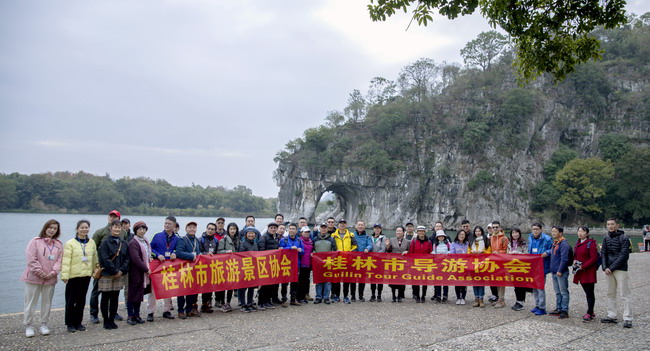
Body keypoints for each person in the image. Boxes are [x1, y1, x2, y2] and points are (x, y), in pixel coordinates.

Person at [21, 219, 63, 337]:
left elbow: (60, 260)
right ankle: (28, 325)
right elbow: (31, 258)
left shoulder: (58, 244)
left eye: (55, 228)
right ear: (45, 228)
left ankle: (44, 324)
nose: (52, 230)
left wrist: (53, 272)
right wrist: (40, 272)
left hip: (50, 278)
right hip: (33, 278)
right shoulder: (35, 242)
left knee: (47, 302)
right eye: (50, 227)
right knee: (30, 302)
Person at [89, 210, 127, 324]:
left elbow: (125, 251)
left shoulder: (123, 233)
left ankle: (113, 313)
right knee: (97, 291)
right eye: (111, 216)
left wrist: (121, 269)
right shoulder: (100, 232)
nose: (112, 218)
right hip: (103, 268)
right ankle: (94, 313)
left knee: (114, 292)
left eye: (115, 216)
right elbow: (93, 249)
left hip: (118, 268)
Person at [61, 219, 97, 333]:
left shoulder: (91, 242)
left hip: (86, 275)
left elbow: (95, 258)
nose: (84, 229)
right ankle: (70, 323)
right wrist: (64, 275)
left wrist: (95, 270)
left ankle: (78, 322)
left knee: (81, 300)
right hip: (73, 276)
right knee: (71, 300)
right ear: (77, 229)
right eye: (82, 227)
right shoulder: (70, 243)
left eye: (86, 227)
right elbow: (66, 260)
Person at [601, 218, 633, 328]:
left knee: (625, 294)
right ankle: (611, 314)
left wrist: (612, 267)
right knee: (610, 293)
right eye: (608, 224)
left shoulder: (624, 238)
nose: (610, 226)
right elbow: (603, 253)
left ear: (617, 225)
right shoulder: (605, 238)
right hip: (608, 269)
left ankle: (628, 318)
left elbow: (624, 255)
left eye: (612, 224)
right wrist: (605, 267)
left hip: (620, 269)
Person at [98, 220, 129, 329]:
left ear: (121, 229)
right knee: (105, 297)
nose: (117, 229)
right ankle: (105, 320)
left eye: (119, 227)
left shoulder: (124, 243)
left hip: (120, 274)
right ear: (110, 228)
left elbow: (127, 258)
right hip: (107, 274)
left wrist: (121, 270)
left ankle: (112, 319)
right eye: (115, 227)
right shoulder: (105, 242)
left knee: (115, 297)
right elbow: (104, 258)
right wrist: (115, 270)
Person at [149, 216, 179, 320]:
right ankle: (150, 312)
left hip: (168, 265)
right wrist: (157, 255)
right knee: (153, 289)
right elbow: (150, 248)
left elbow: (177, 250)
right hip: (157, 265)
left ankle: (166, 310)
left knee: (168, 287)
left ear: (174, 225)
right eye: (165, 223)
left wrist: (174, 254)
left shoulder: (176, 238)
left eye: (169, 224)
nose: (166, 225)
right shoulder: (157, 236)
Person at [175, 221, 202, 319]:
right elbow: (179, 253)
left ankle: (189, 309)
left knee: (192, 290)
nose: (192, 229)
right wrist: (192, 256)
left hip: (194, 269)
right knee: (182, 291)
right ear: (186, 229)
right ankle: (180, 310)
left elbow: (199, 252)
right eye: (190, 227)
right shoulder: (182, 239)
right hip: (184, 269)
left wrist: (203, 255)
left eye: (194, 227)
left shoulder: (197, 240)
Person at [126, 221, 151, 326]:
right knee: (132, 295)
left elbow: (149, 254)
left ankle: (137, 315)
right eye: (139, 229)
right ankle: (130, 316)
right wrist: (146, 269)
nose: (142, 231)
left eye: (144, 229)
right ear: (135, 231)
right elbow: (135, 259)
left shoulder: (145, 241)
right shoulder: (133, 243)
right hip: (135, 272)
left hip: (142, 273)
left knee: (139, 295)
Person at [572, 226, 598, 322]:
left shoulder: (590, 244)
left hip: (588, 271)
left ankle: (590, 312)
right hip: (580, 271)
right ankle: (591, 311)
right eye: (579, 231)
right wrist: (574, 260)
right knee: (587, 291)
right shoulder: (578, 243)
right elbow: (575, 255)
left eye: (582, 231)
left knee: (589, 292)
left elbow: (593, 258)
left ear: (587, 233)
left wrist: (584, 266)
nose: (580, 233)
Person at [528, 222, 552, 316]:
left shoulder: (547, 239)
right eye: (533, 229)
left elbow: (552, 249)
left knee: (540, 287)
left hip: (542, 265)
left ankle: (542, 307)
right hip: (533, 266)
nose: (535, 231)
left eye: (537, 229)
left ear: (541, 230)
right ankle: (537, 305)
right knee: (534, 286)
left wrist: (547, 252)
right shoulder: (530, 237)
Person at [216, 222, 241, 312]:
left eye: (234, 229)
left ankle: (228, 302)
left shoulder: (238, 240)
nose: (232, 231)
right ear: (228, 230)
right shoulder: (223, 240)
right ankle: (223, 303)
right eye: (231, 229)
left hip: (234, 265)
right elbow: (219, 252)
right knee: (224, 285)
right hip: (225, 265)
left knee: (231, 285)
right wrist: (226, 251)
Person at [331, 219, 357, 303]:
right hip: (337, 259)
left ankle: (346, 296)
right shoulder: (333, 235)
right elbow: (331, 246)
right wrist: (335, 251)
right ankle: (337, 296)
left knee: (346, 278)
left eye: (344, 223)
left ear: (346, 225)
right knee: (337, 279)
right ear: (338, 225)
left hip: (347, 259)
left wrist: (350, 252)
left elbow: (355, 245)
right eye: (340, 223)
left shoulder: (350, 235)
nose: (342, 225)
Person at [279, 223, 304, 306]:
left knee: (294, 282)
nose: (291, 230)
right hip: (286, 264)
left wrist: (300, 250)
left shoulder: (299, 240)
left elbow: (303, 252)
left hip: (296, 264)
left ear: (296, 231)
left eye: (293, 229)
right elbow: (280, 251)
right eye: (290, 229)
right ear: (288, 230)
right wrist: (290, 248)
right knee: (285, 282)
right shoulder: (284, 240)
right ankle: (284, 299)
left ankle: (293, 299)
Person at [549, 226, 570, 319]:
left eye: (555, 231)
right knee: (557, 291)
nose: (553, 233)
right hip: (554, 271)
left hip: (561, 272)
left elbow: (564, 259)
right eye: (552, 231)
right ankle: (558, 308)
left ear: (560, 233)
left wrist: (560, 270)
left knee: (563, 291)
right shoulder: (555, 243)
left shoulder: (563, 244)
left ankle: (564, 310)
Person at [258, 222, 281, 308]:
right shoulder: (263, 238)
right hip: (265, 264)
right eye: (271, 228)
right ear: (268, 228)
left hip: (273, 264)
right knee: (264, 284)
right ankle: (261, 302)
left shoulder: (276, 238)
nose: (273, 229)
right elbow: (261, 251)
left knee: (271, 284)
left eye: (275, 228)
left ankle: (268, 301)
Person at [408, 225, 433, 303]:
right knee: (416, 280)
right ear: (417, 232)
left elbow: (431, 253)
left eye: (422, 231)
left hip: (425, 264)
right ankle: (417, 296)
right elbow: (411, 252)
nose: (421, 232)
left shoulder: (429, 242)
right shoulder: (414, 241)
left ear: (425, 232)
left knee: (424, 281)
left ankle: (423, 296)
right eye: (420, 231)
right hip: (416, 264)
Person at [239, 227, 261, 312]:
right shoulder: (243, 243)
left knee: (251, 287)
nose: (251, 235)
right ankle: (243, 304)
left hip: (253, 268)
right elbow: (241, 256)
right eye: (249, 233)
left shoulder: (255, 244)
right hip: (244, 268)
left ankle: (249, 303)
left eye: (252, 233)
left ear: (255, 235)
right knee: (243, 287)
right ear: (245, 234)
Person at [313, 223, 336, 304]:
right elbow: (313, 250)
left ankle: (326, 297)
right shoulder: (315, 238)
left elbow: (334, 250)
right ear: (320, 229)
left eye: (325, 228)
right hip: (318, 263)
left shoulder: (331, 239)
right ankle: (318, 297)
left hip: (328, 263)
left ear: (327, 229)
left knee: (328, 280)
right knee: (318, 280)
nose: (323, 229)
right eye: (322, 228)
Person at [199, 222, 219, 313]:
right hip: (202, 266)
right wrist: (205, 254)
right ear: (206, 229)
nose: (210, 231)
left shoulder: (215, 240)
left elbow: (218, 253)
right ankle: (202, 304)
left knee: (210, 285)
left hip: (212, 266)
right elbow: (198, 252)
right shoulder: (200, 240)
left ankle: (207, 304)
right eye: (209, 228)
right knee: (203, 286)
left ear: (215, 231)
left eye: (212, 229)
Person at [386, 226, 410, 302]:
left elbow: (409, 251)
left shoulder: (407, 241)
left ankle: (399, 296)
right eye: (397, 231)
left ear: (403, 232)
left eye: (400, 231)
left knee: (401, 280)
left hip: (403, 264)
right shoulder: (392, 240)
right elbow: (389, 251)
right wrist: (387, 246)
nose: (398, 232)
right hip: (394, 263)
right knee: (393, 280)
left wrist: (407, 252)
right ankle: (393, 296)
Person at [469, 226, 491, 307]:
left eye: (479, 231)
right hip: (473, 264)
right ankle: (476, 298)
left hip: (482, 264)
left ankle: (481, 299)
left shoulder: (486, 240)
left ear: (482, 232)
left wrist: (482, 251)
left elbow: (489, 251)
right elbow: (468, 252)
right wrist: (472, 251)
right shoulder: (471, 241)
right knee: (474, 281)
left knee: (481, 281)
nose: (477, 233)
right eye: (476, 231)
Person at [507, 228, 528, 311]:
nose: (515, 234)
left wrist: (517, 253)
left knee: (521, 284)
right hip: (513, 266)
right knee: (515, 284)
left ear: (519, 233)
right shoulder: (510, 243)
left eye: (516, 233)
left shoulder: (523, 242)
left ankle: (521, 302)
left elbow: (527, 253)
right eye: (513, 233)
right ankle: (518, 301)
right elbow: (507, 253)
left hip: (521, 266)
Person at [488, 221, 507, 306]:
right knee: (496, 281)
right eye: (493, 227)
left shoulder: (504, 238)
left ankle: (502, 300)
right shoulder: (491, 237)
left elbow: (506, 250)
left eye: (496, 227)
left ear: (500, 228)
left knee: (501, 281)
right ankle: (499, 298)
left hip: (502, 262)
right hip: (493, 262)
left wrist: (498, 252)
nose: (495, 229)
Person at [353, 220, 373, 302]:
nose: (360, 226)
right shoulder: (352, 235)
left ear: (364, 226)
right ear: (356, 226)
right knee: (353, 278)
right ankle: (353, 296)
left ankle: (361, 295)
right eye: (359, 225)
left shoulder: (367, 236)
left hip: (363, 260)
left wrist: (367, 248)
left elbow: (370, 244)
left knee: (362, 279)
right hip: (353, 259)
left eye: (362, 225)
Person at [450, 229, 469, 305]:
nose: (461, 236)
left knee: (464, 282)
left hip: (466, 266)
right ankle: (458, 297)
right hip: (456, 266)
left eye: (463, 235)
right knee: (457, 282)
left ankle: (463, 298)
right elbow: (452, 254)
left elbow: (470, 254)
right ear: (457, 235)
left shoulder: (467, 244)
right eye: (460, 234)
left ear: (465, 236)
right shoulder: (453, 244)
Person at [432, 230, 451, 303]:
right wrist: (433, 253)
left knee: (445, 280)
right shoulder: (435, 244)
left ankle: (445, 295)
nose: (441, 237)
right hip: (438, 264)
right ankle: (438, 295)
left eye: (442, 236)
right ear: (437, 237)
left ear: (444, 237)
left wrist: (447, 254)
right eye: (439, 236)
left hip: (446, 264)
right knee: (438, 280)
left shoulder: (448, 243)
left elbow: (451, 251)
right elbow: (434, 251)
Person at [369, 223, 387, 302]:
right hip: (371, 261)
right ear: (373, 229)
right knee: (372, 279)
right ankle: (373, 294)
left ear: (380, 229)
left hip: (380, 261)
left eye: (378, 228)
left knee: (380, 279)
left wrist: (375, 255)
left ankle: (379, 295)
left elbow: (383, 249)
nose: (377, 230)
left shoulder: (383, 238)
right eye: (375, 228)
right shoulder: (370, 238)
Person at [297, 226, 314, 304]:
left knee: (306, 280)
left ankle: (304, 295)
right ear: (301, 233)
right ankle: (300, 297)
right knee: (301, 281)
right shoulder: (299, 240)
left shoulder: (310, 240)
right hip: (301, 263)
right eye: (305, 232)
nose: (307, 234)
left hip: (308, 264)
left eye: (308, 232)